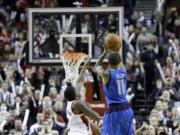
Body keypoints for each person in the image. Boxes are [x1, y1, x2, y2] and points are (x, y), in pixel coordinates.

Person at [95, 47, 134, 135]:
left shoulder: (107, 74)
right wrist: (114, 51)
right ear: (120, 62)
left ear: (108, 62)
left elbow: (97, 66)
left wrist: (104, 54)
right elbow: (120, 61)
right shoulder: (123, 71)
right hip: (126, 109)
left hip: (114, 110)